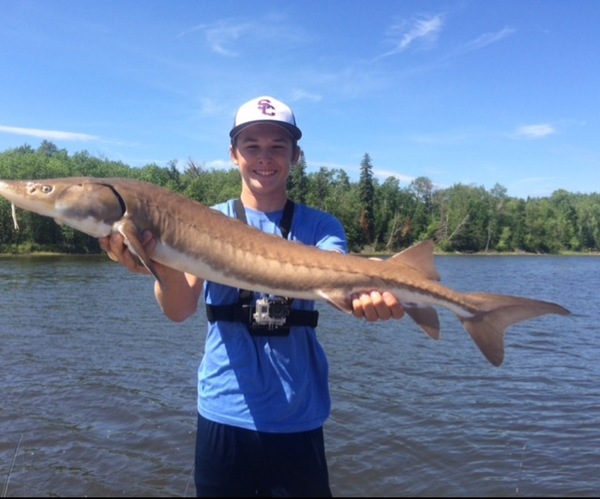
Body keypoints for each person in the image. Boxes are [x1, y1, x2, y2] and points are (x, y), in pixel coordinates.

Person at [99, 95, 405, 497]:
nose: (265, 158)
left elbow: (338, 276)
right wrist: (158, 264)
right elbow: (179, 309)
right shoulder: (199, 219)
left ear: (296, 156)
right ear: (233, 154)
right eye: (252, 146)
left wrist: (374, 290)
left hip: (299, 415)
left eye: (278, 147)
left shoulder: (320, 226)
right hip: (224, 412)